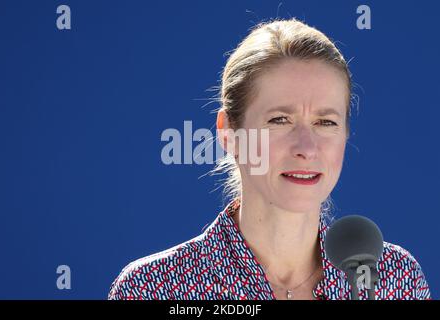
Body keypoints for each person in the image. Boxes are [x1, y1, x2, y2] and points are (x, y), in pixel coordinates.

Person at [108, 18, 431, 300]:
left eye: (326, 122)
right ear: (228, 133)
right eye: (279, 120)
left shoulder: (394, 279)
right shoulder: (154, 288)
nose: (307, 147)